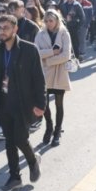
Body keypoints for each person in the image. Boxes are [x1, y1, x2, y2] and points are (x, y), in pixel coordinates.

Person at [0, 15, 45, 191]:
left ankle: (33, 161)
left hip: (23, 103)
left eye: (5, 28)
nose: (2, 31)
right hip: (3, 102)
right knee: (9, 141)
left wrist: (40, 104)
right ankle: (14, 178)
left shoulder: (29, 50)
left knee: (19, 138)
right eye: (0, 28)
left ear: (15, 29)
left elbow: (39, 79)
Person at [34, 10, 71, 147]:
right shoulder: (40, 33)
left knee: (59, 104)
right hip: (44, 73)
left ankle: (57, 131)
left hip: (60, 72)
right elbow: (35, 52)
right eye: (47, 21)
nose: (49, 23)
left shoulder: (64, 33)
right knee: (45, 104)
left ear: (57, 20)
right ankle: (49, 127)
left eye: (51, 20)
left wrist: (48, 60)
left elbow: (66, 55)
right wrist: (52, 52)